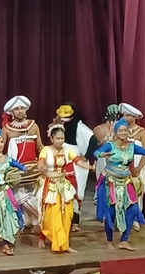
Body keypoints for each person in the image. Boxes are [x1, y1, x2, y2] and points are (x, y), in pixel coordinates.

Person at [94, 119, 145, 251]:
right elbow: (96, 153)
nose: (123, 132)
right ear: (116, 132)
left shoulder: (131, 146)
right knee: (111, 213)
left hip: (126, 182)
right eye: (121, 130)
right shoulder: (110, 146)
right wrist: (102, 154)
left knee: (133, 209)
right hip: (110, 183)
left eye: (125, 130)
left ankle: (124, 240)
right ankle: (109, 241)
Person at [37, 125, 90, 253]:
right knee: (51, 214)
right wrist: (42, 167)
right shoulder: (45, 150)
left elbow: (78, 161)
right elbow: (41, 164)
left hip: (63, 184)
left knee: (67, 214)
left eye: (62, 138)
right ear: (52, 138)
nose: (60, 141)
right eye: (58, 138)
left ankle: (64, 244)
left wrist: (89, 166)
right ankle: (43, 238)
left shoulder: (67, 151)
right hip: (50, 185)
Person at [0, 95, 43, 230]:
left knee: (34, 196)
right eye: (17, 109)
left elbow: (40, 147)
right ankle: (21, 222)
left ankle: (35, 221)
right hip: (15, 170)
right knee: (18, 197)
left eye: (22, 108)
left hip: (32, 170)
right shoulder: (7, 129)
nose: (20, 111)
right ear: (11, 112)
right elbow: (1, 149)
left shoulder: (33, 126)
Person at [54, 103, 94, 233]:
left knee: (76, 191)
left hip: (75, 162)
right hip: (60, 160)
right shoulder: (57, 124)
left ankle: (75, 221)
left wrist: (87, 157)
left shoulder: (80, 127)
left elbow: (93, 140)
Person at [87, 104, 121, 222]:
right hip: (108, 158)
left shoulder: (97, 129)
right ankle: (110, 214)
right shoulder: (121, 128)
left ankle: (107, 214)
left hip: (110, 159)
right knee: (109, 186)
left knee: (108, 186)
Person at [119, 103, 145, 224]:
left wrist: (138, 168)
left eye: (127, 115)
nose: (124, 117)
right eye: (124, 115)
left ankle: (135, 220)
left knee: (136, 192)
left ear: (134, 117)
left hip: (137, 166)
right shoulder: (120, 131)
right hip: (122, 167)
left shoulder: (142, 133)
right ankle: (122, 220)